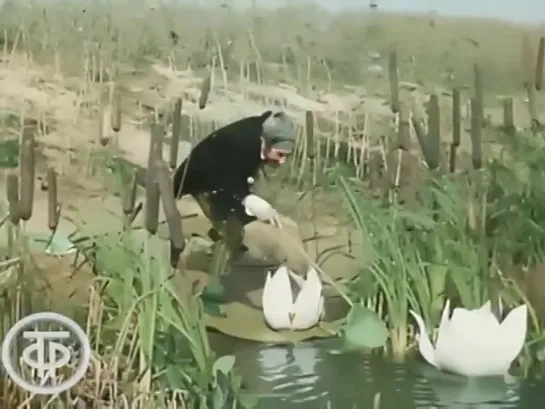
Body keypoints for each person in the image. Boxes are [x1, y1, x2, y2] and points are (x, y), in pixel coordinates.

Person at [173, 110, 308, 272]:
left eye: (286, 155)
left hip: (230, 173)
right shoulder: (244, 144)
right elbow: (229, 182)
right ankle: (191, 259)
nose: (282, 161)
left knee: (244, 219)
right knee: (230, 231)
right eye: (279, 154)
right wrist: (247, 199)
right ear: (266, 143)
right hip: (204, 179)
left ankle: (225, 247)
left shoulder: (266, 132)